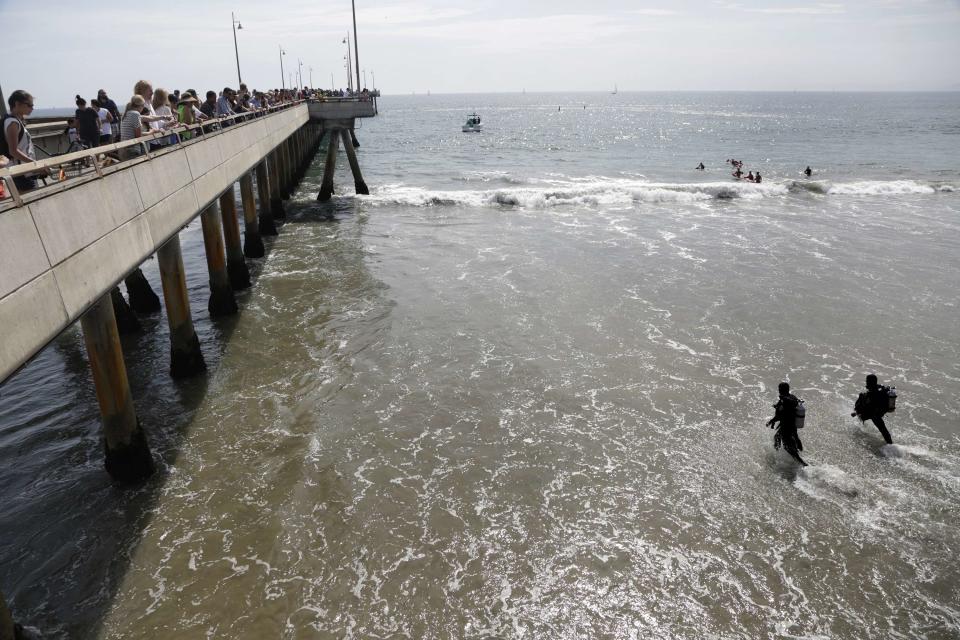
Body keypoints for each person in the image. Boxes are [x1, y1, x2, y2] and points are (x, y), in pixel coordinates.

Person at [2, 90, 49, 192]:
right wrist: (36, 165)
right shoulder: (13, 123)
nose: (32, 108)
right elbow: (13, 151)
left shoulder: (16, 121)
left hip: (25, 171)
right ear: (17, 104)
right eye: (29, 105)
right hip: (20, 174)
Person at [767, 382, 808, 466]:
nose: (779, 390)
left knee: (788, 447)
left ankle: (802, 464)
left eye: (780, 389)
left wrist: (771, 421)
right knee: (779, 438)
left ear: (782, 390)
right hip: (791, 426)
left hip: (786, 427)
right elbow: (782, 411)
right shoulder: (791, 397)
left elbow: (781, 414)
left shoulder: (786, 399)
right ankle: (779, 454)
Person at [852, 374, 894, 445]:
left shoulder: (868, 394)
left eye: (867, 381)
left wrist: (856, 411)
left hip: (873, 414)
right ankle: (891, 445)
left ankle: (861, 427)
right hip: (880, 412)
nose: (866, 382)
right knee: (884, 431)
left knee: (882, 429)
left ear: (868, 382)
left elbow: (865, 406)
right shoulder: (881, 389)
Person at [119, 95, 146, 159]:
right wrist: (152, 132)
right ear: (141, 105)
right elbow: (138, 136)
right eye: (143, 105)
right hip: (132, 150)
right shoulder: (136, 114)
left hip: (124, 149)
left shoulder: (126, 113)